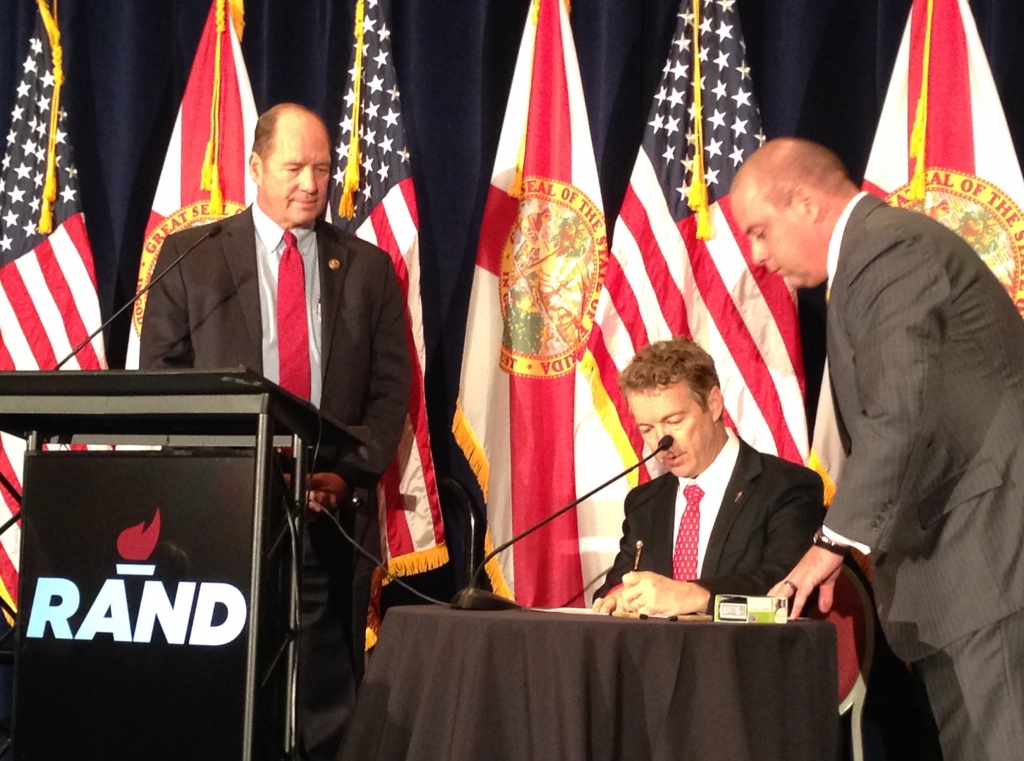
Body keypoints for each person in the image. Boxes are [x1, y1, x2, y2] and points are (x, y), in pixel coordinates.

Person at [731, 137, 1024, 761]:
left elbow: (900, 412)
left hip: (987, 559)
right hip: (957, 569)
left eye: (760, 231)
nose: (758, 256)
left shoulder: (888, 249)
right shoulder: (870, 260)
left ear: (806, 203)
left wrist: (831, 545)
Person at [139, 103, 410, 760]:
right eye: (294, 168)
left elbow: (388, 391)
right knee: (223, 698)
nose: (311, 184)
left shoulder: (367, 269)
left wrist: (344, 474)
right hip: (218, 518)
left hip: (324, 518)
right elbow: (163, 380)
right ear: (256, 167)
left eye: (321, 169)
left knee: (321, 704)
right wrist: (235, 472)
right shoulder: (192, 255)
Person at [592, 337, 823, 616]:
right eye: (646, 429)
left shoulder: (787, 488)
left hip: (740, 655)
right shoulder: (645, 503)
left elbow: (785, 588)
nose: (660, 441)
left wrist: (695, 595)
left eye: (674, 421)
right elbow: (617, 583)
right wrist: (617, 598)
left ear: (713, 404)